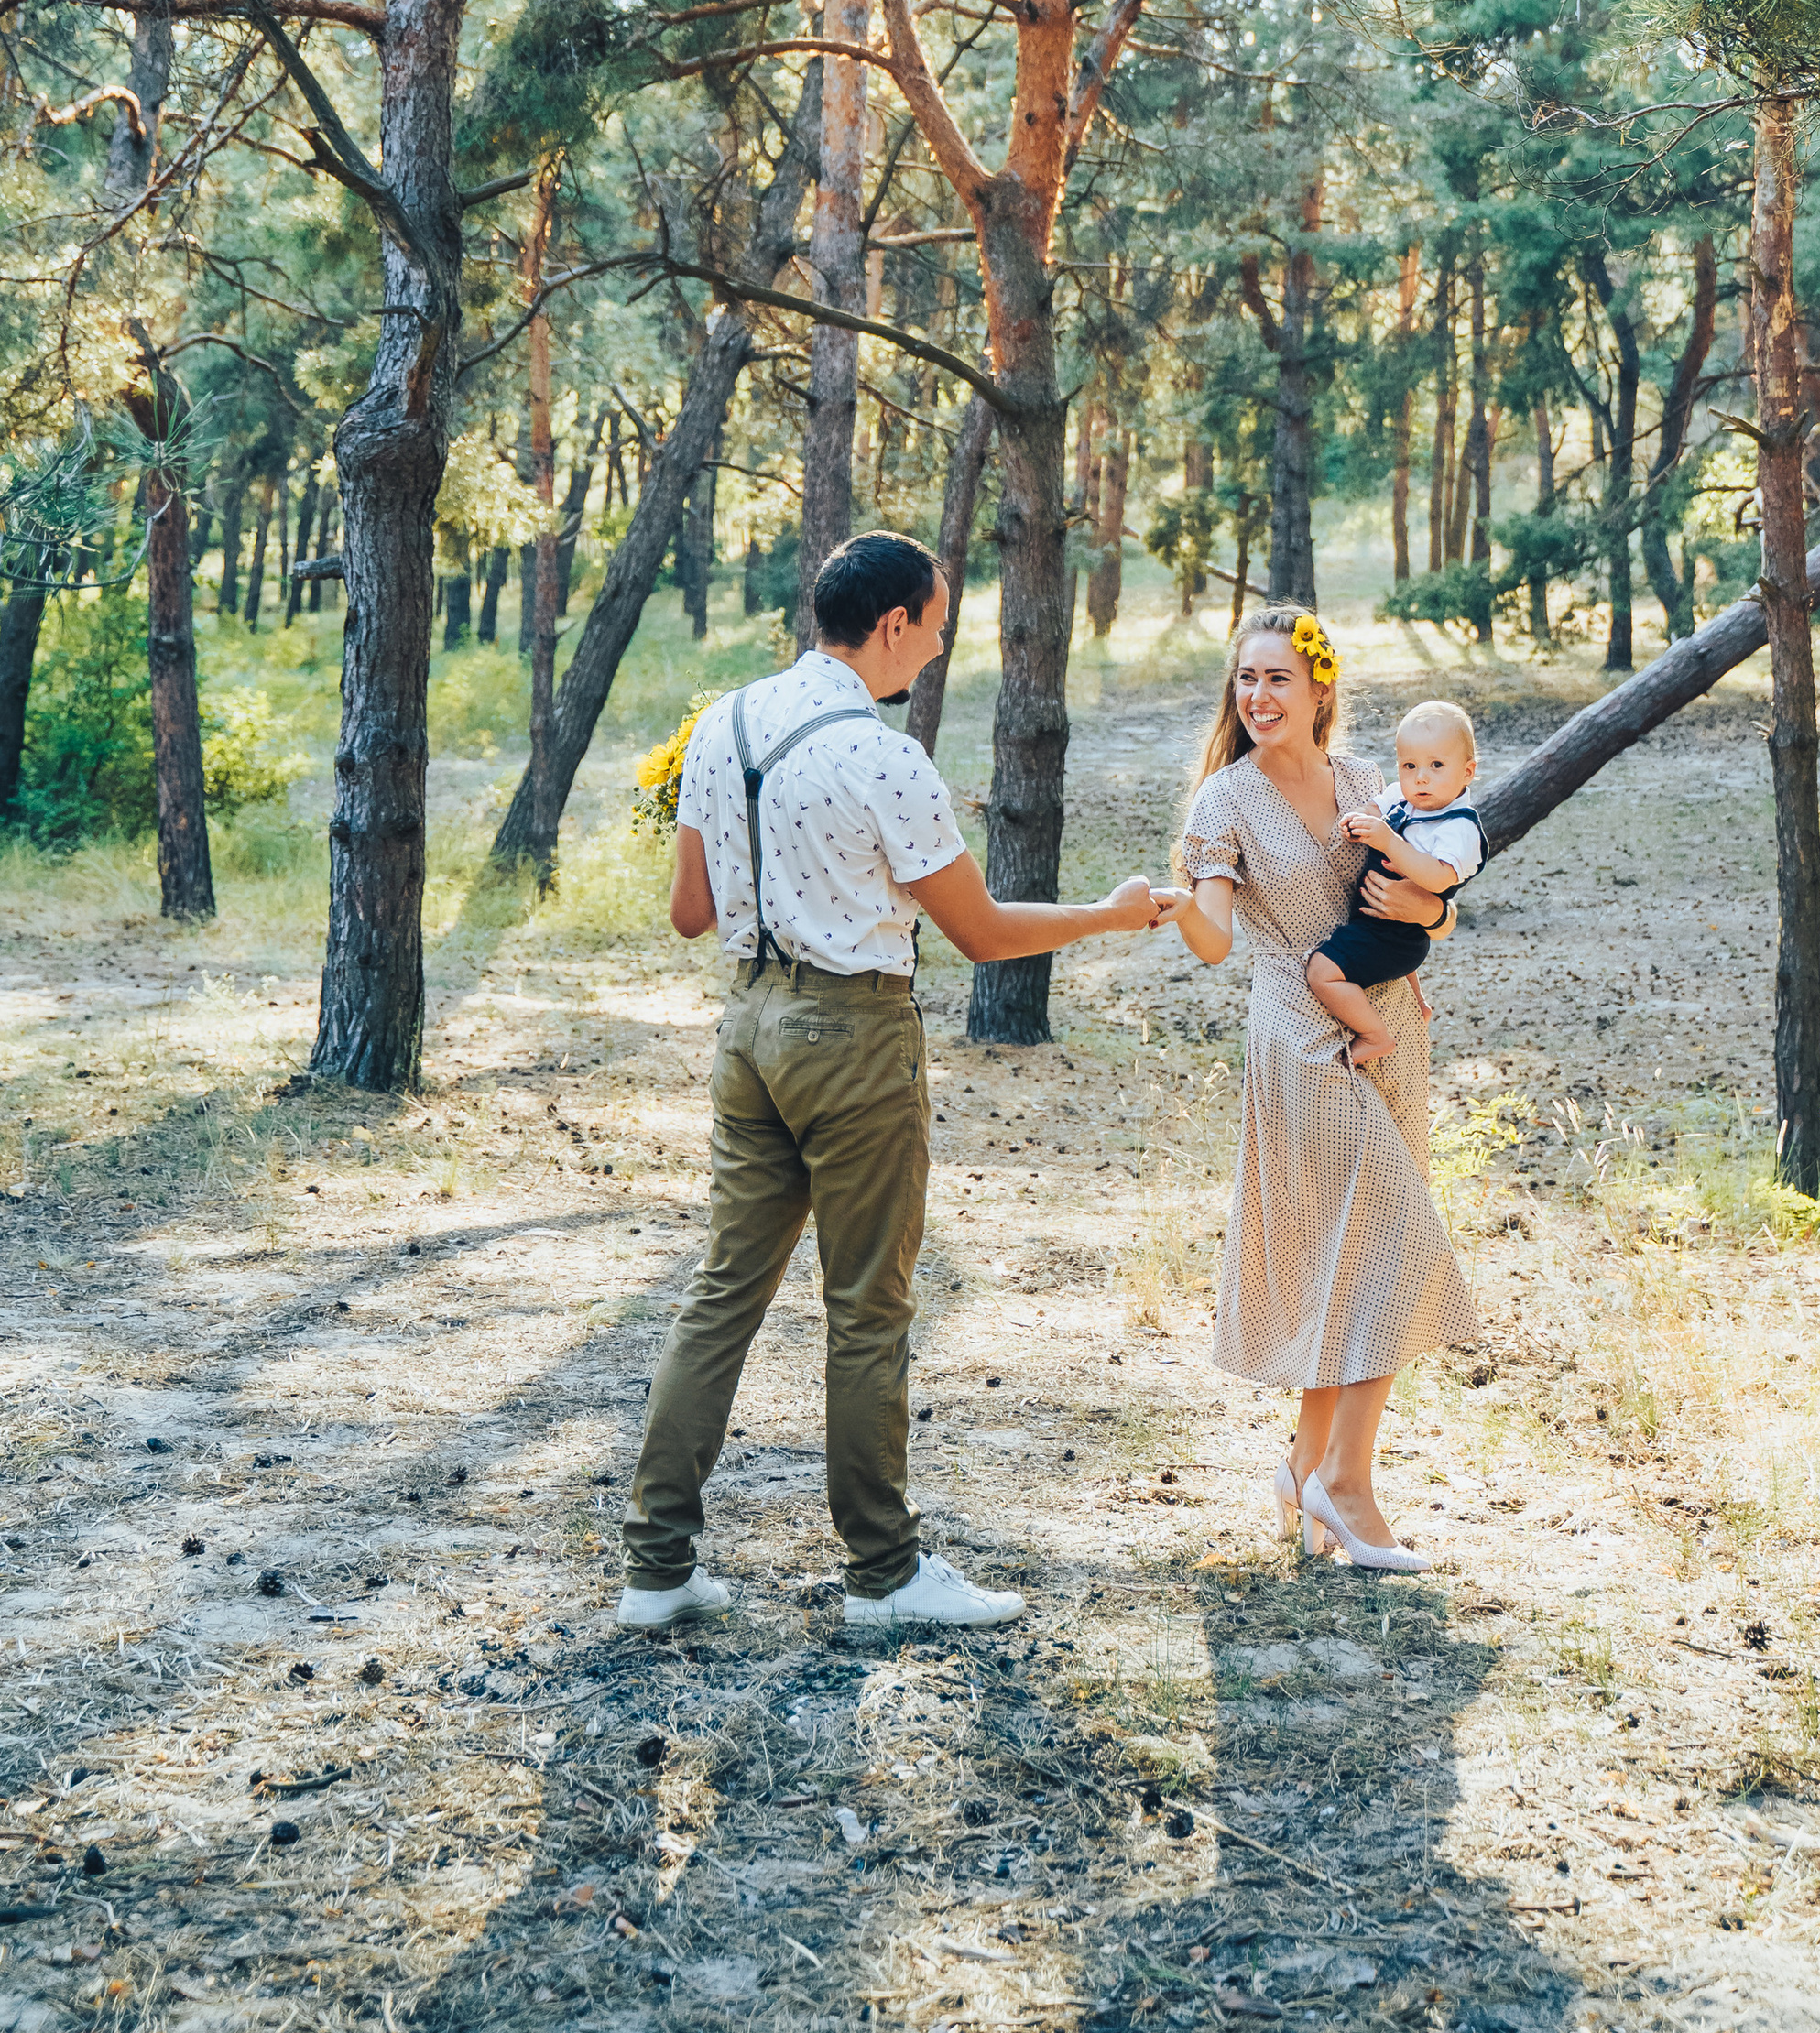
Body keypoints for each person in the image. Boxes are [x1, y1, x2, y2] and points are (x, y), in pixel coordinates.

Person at [616, 528, 1166, 1636]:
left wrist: (772, 867)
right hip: (852, 1036)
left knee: (723, 1291)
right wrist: (1112, 914)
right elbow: (980, 933)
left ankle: (657, 1566)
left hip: (747, 1028)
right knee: (866, 1306)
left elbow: (688, 913)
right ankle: (884, 1572)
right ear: (896, 624)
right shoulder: (882, 756)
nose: (941, 644)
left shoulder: (720, 725)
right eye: (940, 623)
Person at [1156, 606, 1480, 1575]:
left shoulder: (1363, 784)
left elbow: (1429, 908)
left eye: (1277, 679)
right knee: (1394, 1244)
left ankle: (1305, 1469)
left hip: (1390, 1028)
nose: (1257, 696)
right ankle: (1346, 1483)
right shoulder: (1223, 800)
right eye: (1245, 679)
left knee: (1354, 1256)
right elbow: (1216, 943)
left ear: (1319, 689)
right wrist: (1181, 899)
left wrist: (1428, 909)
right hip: (1303, 1040)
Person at [1307, 698, 1487, 1063]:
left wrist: (1389, 840)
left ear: (1467, 772)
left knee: (1321, 972)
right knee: (1391, 953)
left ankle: (1374, 1035)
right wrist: (1360, 817)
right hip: (1380, 921)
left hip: (1394, 933)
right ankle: (1418, 1002)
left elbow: (1437, 879)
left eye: (1437, 765)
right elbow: (1376, 806)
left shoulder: (1459, 827)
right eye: (1409, 765)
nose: (1420, 777)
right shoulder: (1405, 798)